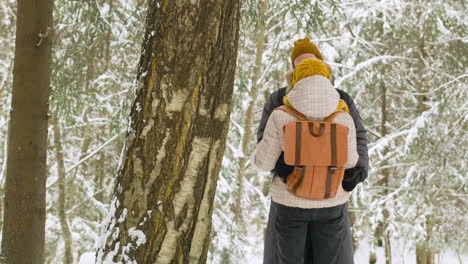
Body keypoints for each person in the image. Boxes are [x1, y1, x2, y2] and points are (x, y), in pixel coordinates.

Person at [254, 38, 369, 263]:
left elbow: (359, 137)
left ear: (322, 64)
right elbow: (263, 139)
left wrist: (359, 171)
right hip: (298, 192)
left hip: (326, 192)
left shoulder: (342, 100)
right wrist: (283, 167)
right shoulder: (278, 100)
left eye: (310, 60)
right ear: (293, 70)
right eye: (298, 62)